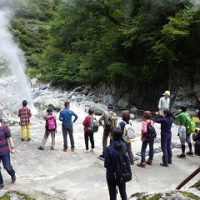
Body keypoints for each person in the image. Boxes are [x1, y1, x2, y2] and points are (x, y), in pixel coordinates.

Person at [104, 128, 128, 200]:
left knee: (112, 194)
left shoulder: (109, 149)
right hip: (122, 173)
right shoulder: (124, 146)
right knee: (123, 192)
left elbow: (106, 164)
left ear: (112, 136)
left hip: (112, 174)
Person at [0, 118, 16, 189]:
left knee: (7, 166)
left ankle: (12, 174)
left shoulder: (4, 127)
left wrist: (12, 147)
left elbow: (9, 137)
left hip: (4, 151)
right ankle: (1, 183)